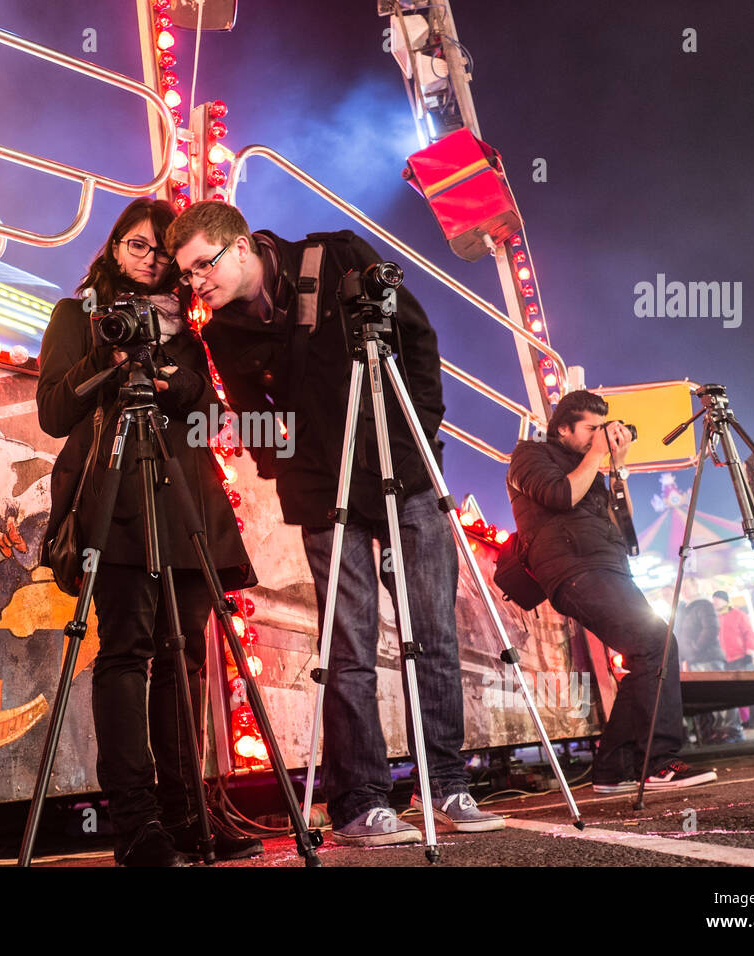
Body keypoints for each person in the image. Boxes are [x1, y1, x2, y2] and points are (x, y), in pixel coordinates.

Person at [165, 201, 504, 846]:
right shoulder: (223, 333)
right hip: (325, 491)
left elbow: (418, 341)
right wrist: (297, 462)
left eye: (203, 266)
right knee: (348, 642)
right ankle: (361, 803)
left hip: (404, 470)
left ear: (242, 248)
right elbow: (250, 415)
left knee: (431, 631)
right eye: (186, 275)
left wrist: (417, 439)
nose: (196, 283)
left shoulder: (338, 255)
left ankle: (449, 784)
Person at [37, 197, 260, 865]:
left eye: (162, 250)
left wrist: (183, 381)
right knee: (126, 657)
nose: (152, 258)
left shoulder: (191, 330)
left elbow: (216, 423)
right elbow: (53, 412)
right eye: (138, 245)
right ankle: (137, 827)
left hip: (187, 508)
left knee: (184, 663)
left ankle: (190, 816)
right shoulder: (78, 316)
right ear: (111, 248)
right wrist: (110, 350)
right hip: (119, 506)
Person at [506, 388, 717, 792]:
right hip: (572, 569)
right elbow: (560, 495)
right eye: (592, 428)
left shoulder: (594, 466)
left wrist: (618, 468)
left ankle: (613, 768)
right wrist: (596, 456)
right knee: (657, 642)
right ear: (564, 428)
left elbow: (623, 525)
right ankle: (657, 761)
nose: (600, 434)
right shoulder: (530, 455)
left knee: (648, 651)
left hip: (610, 566)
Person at [675, 597, 744, 745]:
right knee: (710, 697)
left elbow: (711, 628)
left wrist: (695, 647)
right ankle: (719, 731)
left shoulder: (703, 605)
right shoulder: (683, 610)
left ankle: (733, 730)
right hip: (693, 659)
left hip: (708, 657)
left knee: (721, 693)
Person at [712, 590, 754, 728]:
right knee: (732, 693)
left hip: (742, 657)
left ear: (725, 600)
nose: (714, 602)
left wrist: (749, 651)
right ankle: (739, 721)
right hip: (724, 660)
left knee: (750, 690)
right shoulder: (714, 618)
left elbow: (750, 634)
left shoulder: (738, 615)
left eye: (717, 599)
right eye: (714, 600)